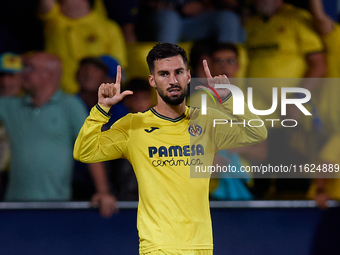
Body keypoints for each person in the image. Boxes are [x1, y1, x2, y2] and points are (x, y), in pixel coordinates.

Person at [74, 43, 267, 254]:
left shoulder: (206, 120)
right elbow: (84, 151)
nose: (173, 80)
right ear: (152, 80)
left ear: (188, 76)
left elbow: (256, 133)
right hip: (158, 246)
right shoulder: (134, 125)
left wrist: (228, 99)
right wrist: (102, 110)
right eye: (164, 74)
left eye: (178, 72)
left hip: (200, 246)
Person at [0, 52, 117, 217]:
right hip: (13, 205)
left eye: (29, 68)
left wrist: (103, 192)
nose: (22, 72)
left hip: (56, 206)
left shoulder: (70, 105)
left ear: (49, 74)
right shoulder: (10, 106)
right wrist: (10, 85)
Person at [39, 0, 127, 94]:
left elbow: (116, 68)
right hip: (57, 94)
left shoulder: (109, 28)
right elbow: (47, 5)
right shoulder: (55, 22)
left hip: (93, 97)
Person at [135, 0, 246, 44]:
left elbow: (234, 5)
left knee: (228, 18)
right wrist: (179, 9)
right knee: (170, 18)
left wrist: (204, 4)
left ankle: (225, 64)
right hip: (158, 21)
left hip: (193, 23)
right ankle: (167, 66)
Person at [0, 52, 23, 200]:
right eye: (2, 75)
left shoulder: (32, 106)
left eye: (11, 75)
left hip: (21, 175)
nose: (5, 81)